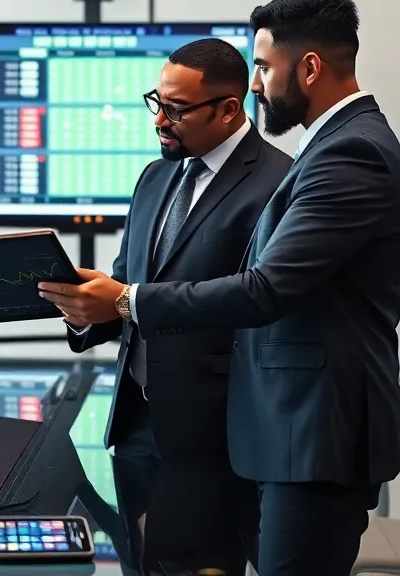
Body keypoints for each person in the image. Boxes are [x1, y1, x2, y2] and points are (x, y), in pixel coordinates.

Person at [39, 0, 400, 576]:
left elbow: (265, 288)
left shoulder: (350, 155)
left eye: (264, 67)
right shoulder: (327, 148)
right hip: (263, 426)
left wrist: (125, 300)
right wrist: (102, 302)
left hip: (307, 432)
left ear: (310, 67)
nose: (257, 83)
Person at [64, 38, 289, 573]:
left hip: (216, 433)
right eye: (156, 102)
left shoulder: (278, 183)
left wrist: (121, 299)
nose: (160, 120)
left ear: (230, 108)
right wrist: (81, 308)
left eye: (177, 109)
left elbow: (261, 299)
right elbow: (129, 284)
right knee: (140, 564)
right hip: (135, 421)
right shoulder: (156, 175)